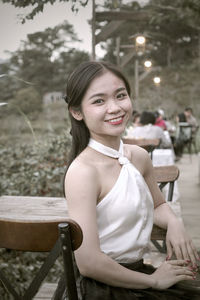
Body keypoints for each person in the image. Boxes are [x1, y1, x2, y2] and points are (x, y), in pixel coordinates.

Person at [63, 61, 199, 300]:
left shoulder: (138, 156)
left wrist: (175, 223)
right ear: (77, 111)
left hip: (138, 272)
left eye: (120, 95)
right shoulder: (83, 171)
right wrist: (154, 280)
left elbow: (157, 205)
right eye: (99, 101)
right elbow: (89, 263)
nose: (115, 107)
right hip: (106, 286)